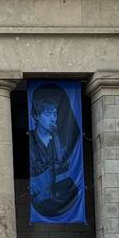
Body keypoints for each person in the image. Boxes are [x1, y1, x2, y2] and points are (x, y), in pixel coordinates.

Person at [29, 83, 83, 220]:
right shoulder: (31, 141)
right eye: (48, 114)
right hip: (41, 201)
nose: (53, 118)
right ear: (36, 116)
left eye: (54, 114)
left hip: (63, 197)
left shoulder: (62, 142)